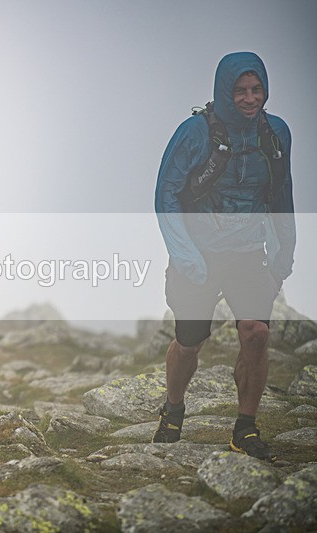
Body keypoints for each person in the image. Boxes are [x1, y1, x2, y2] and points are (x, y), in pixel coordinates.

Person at [153, 52, 295, 460]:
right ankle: (174, 408)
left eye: (257, 90)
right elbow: (165, 196)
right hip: (198, 254)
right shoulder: (194, 133)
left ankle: (245, 429)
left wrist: (285, 251)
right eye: (241, 91)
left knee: (257, 334)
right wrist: (185, 257)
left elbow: (282, 194)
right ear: (224, 93)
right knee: (189, 341)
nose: (250, 99)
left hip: (249, 255)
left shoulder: (276, 134)